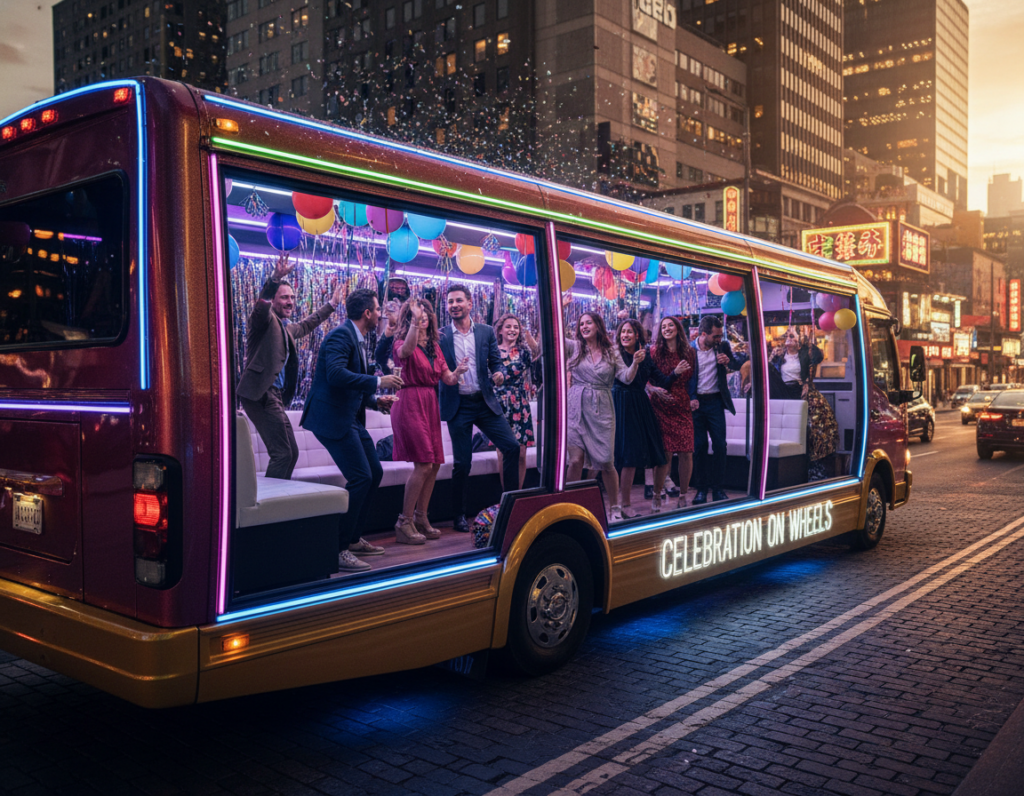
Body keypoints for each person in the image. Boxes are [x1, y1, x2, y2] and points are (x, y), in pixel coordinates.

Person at [300, 288, 403, 572]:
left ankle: (355, 539)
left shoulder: (357, 338)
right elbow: (335, 375)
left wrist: (374, 401)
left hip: (350, 417)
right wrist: (378, 382)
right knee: (361, 477)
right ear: (367, 313)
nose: (381, 313)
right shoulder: (340, 336)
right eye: (378, 309)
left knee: (375, 472)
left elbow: (351, 385)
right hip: (332, 419)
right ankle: (338, 548)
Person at [237, 254, 342, 480]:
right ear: (273, 301)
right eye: (284, 297)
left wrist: (332, 305)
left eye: (292, 297)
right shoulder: (263, 320)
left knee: (292, 453)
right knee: (282, 454)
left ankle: (278, 498)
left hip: (274, 396)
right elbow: (261, 303)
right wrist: (275, 278)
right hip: (260, 393)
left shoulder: (286, 329)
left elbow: (307, 324)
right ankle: (268, 507)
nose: (290, 301)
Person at [439, 284, 521, 533]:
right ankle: (459, 515)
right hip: (458, 405)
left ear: (470, 303)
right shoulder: (441, 335)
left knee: (512, 447)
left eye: (458, 301)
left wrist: (498, 373)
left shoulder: (485, 332)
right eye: (450, 302)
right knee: (463, 463)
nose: (454, 305)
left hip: (484, 401)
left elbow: (496, 362)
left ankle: (511, 506)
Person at [390, 299, 470, 544]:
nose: (423, 316)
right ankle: (404, 522)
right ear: (409, 317)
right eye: (417, 314)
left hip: (429, 403)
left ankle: (421, 517)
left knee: (434, 464)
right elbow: (405, 353)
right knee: (423, 464)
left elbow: (446, 378)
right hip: (409, 402)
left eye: (425, 313)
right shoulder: (401, 341)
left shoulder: (435, 346)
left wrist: (457, 373)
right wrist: (414, 322)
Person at [565, 312, 641, 521]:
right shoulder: (574, 347)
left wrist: (634, 363)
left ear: (598, 326)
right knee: (575, 460)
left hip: (602, 409)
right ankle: (570, 505)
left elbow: (625, 378)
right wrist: (563, 309)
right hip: (576, 406)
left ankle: (614, 507)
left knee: (607, 461)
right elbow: (552, 339)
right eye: (581, 323)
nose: (584, 326)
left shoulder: (611, 352)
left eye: (588, 322)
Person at [612, 318, 667, 517]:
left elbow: (660, 378)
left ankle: (652, 496)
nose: (625, 335)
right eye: (622, 332)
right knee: (627, 455)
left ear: (637, 335)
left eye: (629, 332)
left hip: (640, 404)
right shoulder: (616, 354)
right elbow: (626, 379)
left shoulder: (646, 355)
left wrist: (677, 374)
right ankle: (622, 504)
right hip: (622, 403)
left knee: (647, 453)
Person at [688, 314, 740, 504]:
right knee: (699, 446)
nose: (719, 339)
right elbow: (685, 378)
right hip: (697, 404)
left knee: (720, 445)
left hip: (716, 402)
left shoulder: (722, 346)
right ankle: (701, 489)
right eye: (716, 336)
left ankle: (718, 488)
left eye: (720, 335)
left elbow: (736, 364)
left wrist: (728, 363)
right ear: (703, 334)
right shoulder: (689, 350)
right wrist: (690, 398)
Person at [648, 316, 697, 511]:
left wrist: (693, 397)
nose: (667, 329)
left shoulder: (689, 352)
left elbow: (693, 378)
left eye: (671, 325)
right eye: (663, 326)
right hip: (660, 404)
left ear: (678, 329)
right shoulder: (653, 352)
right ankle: (657, 495)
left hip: (682, 404)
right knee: (665, 453)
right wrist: (652, 389)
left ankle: (683, 495)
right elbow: (647, 379)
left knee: (686, 451)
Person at [493, 312, 541, 490]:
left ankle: (518, 496)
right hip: (499, 404)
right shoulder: (493, 351)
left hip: (520, 404)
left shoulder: (524, 352)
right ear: (500, 330)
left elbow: (540, 355)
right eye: (508, 326)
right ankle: (506, 495)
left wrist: (531, 338)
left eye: (516, 327)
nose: (512, 330)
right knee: (503, 453)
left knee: (521, 453)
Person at [769, 328, 823, 400]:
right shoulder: (780, 355)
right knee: (767, 367)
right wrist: (771, 357)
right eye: (786, 336)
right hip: (782, 388)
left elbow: (818, 357)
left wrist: (806, 383)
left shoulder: (803, 355)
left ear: (798, 341)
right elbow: (769, 372)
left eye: (791, 336)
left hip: (797, 389)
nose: (788, 338)